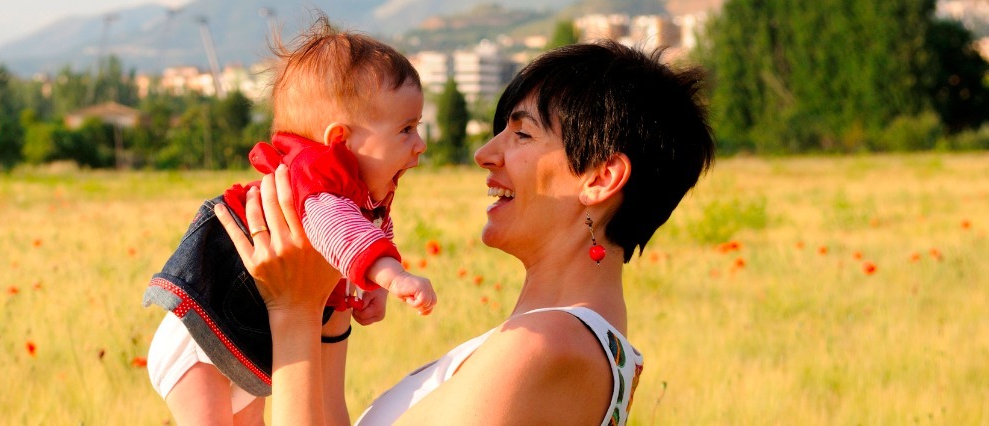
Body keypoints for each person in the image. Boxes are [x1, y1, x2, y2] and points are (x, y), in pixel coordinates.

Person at [216, 40, 715, 425]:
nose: (485, 154)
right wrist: (326, 302)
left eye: (521, 134)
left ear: (601, 178)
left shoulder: (543, 345)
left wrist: (292, 312)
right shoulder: (555, 343)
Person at [143, 16, 436, 425]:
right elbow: (340, 230)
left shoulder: (361, 190)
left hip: (253, 348)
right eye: (406, 129)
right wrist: (395, 277)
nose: (420, 144)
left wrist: (374, 283)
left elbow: (368, 232)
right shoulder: (316, 179)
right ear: (340, 140)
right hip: (201, 339)